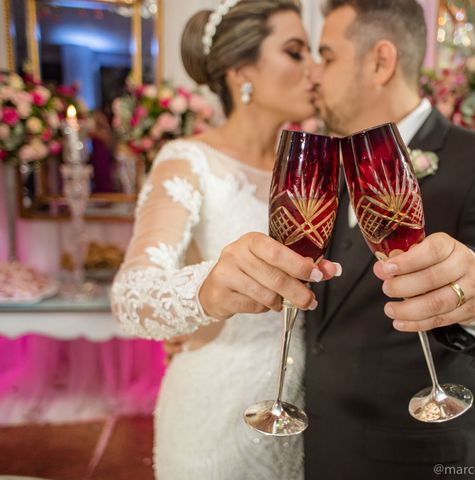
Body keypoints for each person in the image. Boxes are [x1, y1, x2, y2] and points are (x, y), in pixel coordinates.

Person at [299, 1, 475, 479]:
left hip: (417, 463)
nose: (314, 75)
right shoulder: (327, 168)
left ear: (380, 61)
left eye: (327, 56)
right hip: (320, 453)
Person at [110, 1, 339, 478]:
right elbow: (131, 296)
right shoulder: (189, 161)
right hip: (215, 409)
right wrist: (206, 293)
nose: (314, 70)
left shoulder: (314, 160)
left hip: (308, 409)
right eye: (295, 52)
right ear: (241, 72)